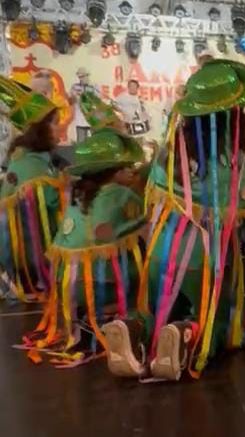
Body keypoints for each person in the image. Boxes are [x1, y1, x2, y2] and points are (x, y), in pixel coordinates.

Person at [103, 59, 245, 381]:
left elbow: (152, 200)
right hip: (205, 262)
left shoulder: (169, 152)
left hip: (162, 253)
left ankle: (135, 327)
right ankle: (187, 334)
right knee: (210, 320)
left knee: (156, 310)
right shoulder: (231, 161)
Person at [23, 129, 146, 367]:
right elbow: (145, 224)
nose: (132, 170)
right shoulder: (121, 194)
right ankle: (116, 318)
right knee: (145, 251)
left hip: (66, 286)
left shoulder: (78, 195)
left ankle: (89, 321)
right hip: (102, 283)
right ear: (113, 172)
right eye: (126, 167)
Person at [0, 77, 64, 301]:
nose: (60, 129)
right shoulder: (34, 164)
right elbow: (52, 202)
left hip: (20, 260)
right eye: (55, 123)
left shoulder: (24, 156)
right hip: (28, 262)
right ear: (40, 129)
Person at [68, 67, 100, 143]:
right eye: (79, 77)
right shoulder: (75, 87)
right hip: (80, 118)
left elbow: (97, 101)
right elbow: (70, 102)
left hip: (92, 118)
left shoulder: (94, 86)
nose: (81, 78)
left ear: (87, 75)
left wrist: (86, 95)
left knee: (95, 141)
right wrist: (74, 96)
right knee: (81, 142)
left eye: (83, 76)